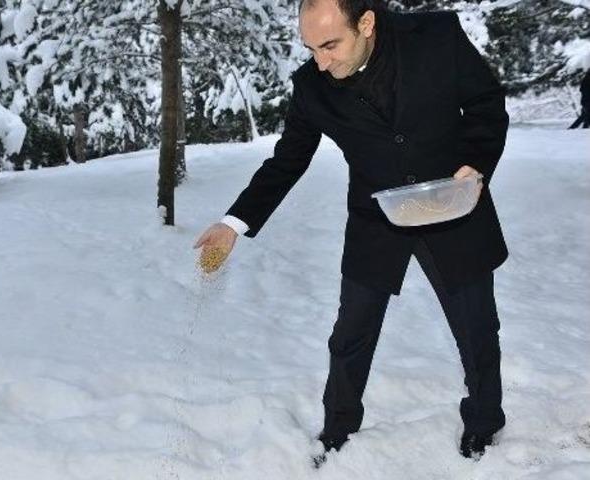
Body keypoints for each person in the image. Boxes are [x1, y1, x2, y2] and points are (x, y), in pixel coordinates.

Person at [193, 0, 509, 466]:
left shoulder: (436, 38)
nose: (320, 61)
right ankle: (338, 428)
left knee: (476, 328)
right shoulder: (312, 88)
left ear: (366, 23)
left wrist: (476, 166)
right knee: (350, 335)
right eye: (310, 48)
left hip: (454, 206)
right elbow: (286, 161)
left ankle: (484, 423)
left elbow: (486, 104)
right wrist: (233, 223)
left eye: (330, 45)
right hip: (376, 220)